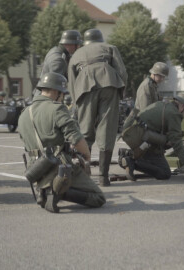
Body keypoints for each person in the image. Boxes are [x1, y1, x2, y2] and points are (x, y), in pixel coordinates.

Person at [18, 72, 105, 213]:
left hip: (35, 168)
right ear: (55, 91)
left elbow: (26, 141)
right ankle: (57, 192)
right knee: (98, 198)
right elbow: (76, 138)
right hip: (57, 166)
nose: (63, 96)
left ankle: (46, 189)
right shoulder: (56, 108)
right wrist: (87, 156)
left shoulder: (23, 113)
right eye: (62, 93)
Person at [68, 28, 128, 187]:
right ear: (100, 39)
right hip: (109, 83)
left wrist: (76, 102)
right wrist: (120, 92)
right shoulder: (110, 48)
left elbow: (71, 80)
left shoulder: (76, 54)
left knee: (85, 131)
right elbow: (122, 72)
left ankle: (83, 174)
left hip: (84, 86)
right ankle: (103, 177)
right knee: (107, 129)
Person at [119, 93, 184, 182]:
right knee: (164, 173)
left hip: (134, 133)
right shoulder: (174, 114)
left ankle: (129, 154)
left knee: (164, 152)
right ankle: (131, 160)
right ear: (183, 106)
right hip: (141, 139)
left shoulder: (164, 105)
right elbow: (178, 147)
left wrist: (176, 142)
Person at [32, 30, 82, 97]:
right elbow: (55, 86)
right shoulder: (58, 60)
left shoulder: (56, 51)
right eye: (77, 44)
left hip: (44, 97)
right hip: (47, 98)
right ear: (69, 44)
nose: (79, 47)